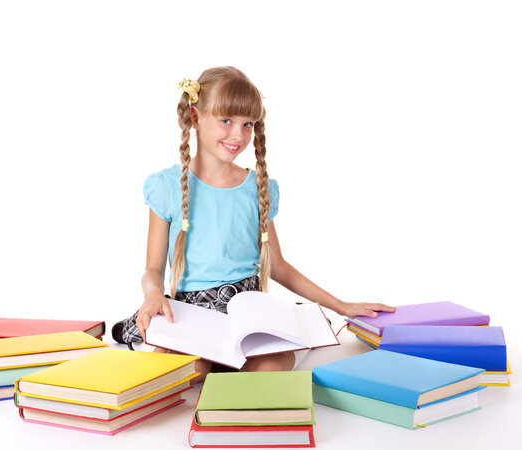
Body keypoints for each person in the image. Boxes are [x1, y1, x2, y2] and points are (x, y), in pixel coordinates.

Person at [113, 66, 394, 382]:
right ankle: (164, 343)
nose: (238, 135)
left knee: (270, 368)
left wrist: (342, 306)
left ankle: (244, 363)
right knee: (183, 374)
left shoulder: (257, 188)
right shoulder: (167, 187)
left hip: (250, 315)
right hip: (194, 315)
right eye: (226, 121)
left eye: (248, 124)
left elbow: (277, 267)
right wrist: (153, 294)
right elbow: (153, 269)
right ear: (195, 118)